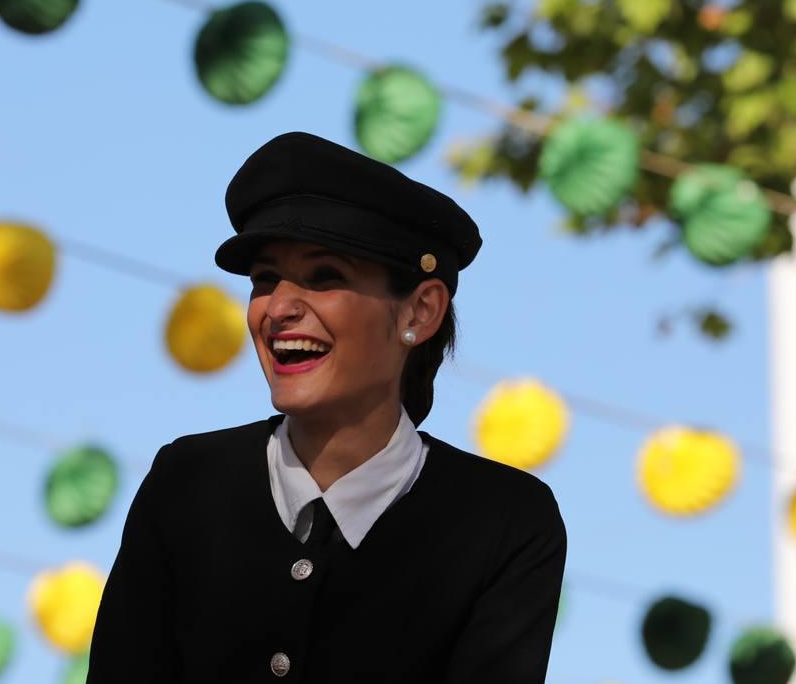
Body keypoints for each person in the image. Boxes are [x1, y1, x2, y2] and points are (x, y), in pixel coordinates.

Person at [88, 131, 567, 683]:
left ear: (421, 310)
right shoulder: (186, 482)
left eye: (326, 277)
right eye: (265, 280)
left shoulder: (504, 523)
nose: (280, 308)